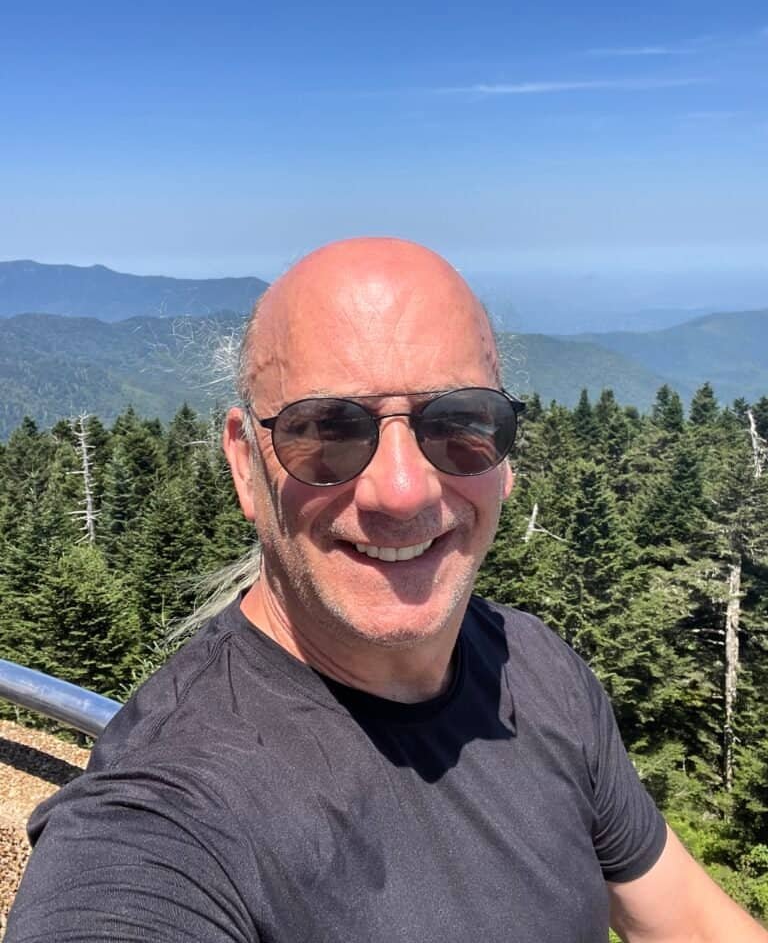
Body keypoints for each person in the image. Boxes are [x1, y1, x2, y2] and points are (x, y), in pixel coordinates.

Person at [6, 237, 767, 942]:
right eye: (326, 429)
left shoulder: (534, 667)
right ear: (244, 462)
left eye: (458, 421)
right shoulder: (160, 817)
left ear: (504, 454)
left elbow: (691, 925)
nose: (402, 490)